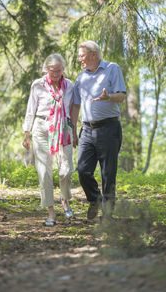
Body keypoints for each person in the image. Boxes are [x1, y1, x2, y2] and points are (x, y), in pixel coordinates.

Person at [70, 40, 126, 221]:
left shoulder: (112, 69)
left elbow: (122, 96)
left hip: (109, 128)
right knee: (83, 170)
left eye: (82, 56)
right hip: (86, 130)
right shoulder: (81, 77)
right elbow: (76, 105)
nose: (80, 60)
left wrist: (108, 97)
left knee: (108, 173)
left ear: (93, 54)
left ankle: (108, 215)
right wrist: (72, 129)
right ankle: (95, 198)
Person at [22, 53, 74, 226]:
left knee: (66, 170)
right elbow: (31, 109)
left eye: (59, 70)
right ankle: (51, 211)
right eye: (52, 71)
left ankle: (65, 199)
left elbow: (72, 109)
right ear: (46, 69)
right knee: (44, 172)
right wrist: (26, 133)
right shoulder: (38, 85)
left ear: (63, 69)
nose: (56, 74)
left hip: (63, 129)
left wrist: (74, 131)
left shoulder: (69, 86)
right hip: (42, 128)